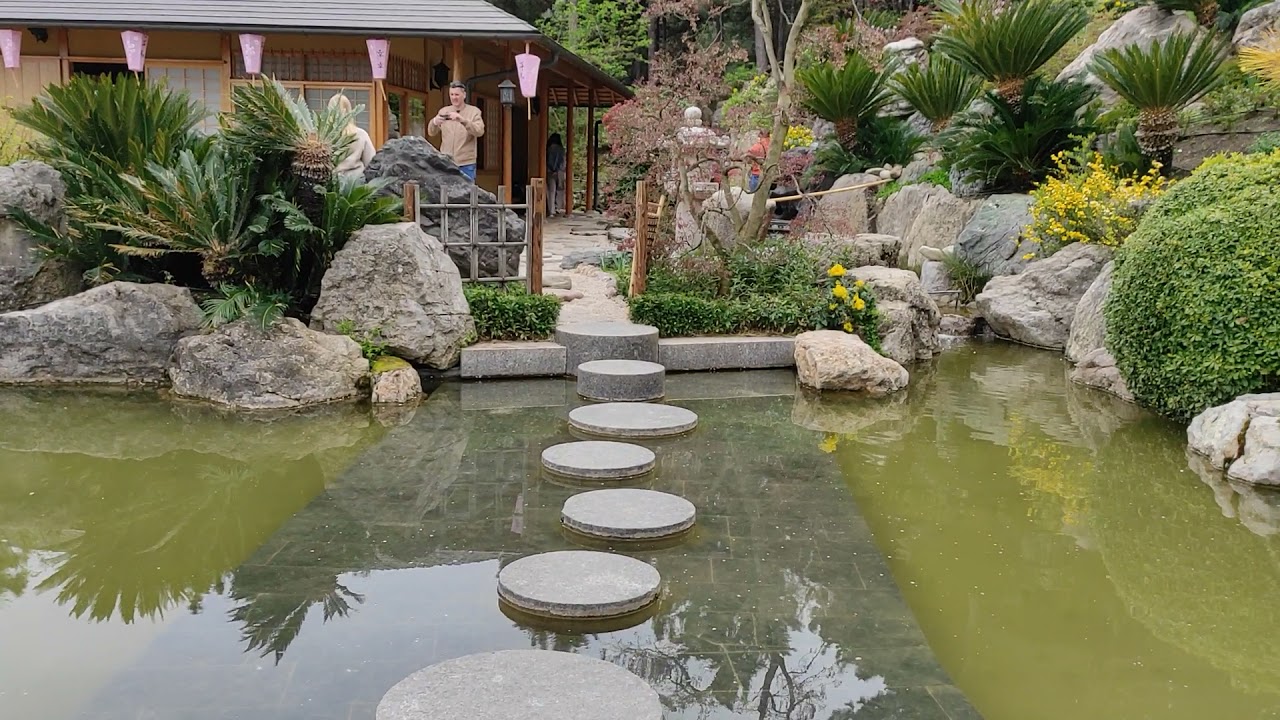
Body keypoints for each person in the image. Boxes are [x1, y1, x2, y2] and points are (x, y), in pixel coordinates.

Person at [428, 80, 485, 181]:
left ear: (464, 95)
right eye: (452, 94)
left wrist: (463, 120)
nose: (454, 97)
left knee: (467, 190)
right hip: (446, 161)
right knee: (446, 189)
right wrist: (434, 122)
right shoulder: (444, 111)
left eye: (457, 94)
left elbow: (479, 131)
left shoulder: (474, 111)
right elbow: (431, 132)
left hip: (466, 163)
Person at [329, 93, 376, 180]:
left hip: (333, 180)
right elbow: (371, 161)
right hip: (356, 180)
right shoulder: (361, 134)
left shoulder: (325, 137)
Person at [546, 133, 566, 217]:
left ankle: (551, 210)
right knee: (560, 189)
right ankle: (558, 207)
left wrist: (551, 169)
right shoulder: (561, 149)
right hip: (560, 171)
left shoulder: (549, 149)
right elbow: (563, 161)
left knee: (551, 190)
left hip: (550, 171)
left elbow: (548, 160)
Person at [745, 128, 770, 193]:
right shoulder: (773, 145)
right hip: (769, 175)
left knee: (755, 196)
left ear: (761, 135)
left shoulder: (757, 146)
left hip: (757, 175)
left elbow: (748, 159)